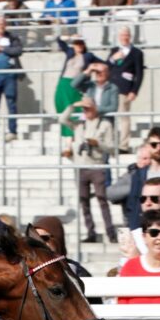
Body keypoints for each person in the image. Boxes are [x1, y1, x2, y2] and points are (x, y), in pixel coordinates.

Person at [59, 97, 115, 244]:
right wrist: (73, 105)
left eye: (88, 108)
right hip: (81, 167)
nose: (86, 111)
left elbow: (111, 147)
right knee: (84, 201)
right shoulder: (79, 125)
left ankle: (111, 232)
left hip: (97, 165)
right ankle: (91, 232)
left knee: (102, 200)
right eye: (84, 109)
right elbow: (63, 119)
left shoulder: (105, 124)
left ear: (95, 108)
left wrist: (97, 143)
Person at [106, 26, 144, 152]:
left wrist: (134, 90)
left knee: (124, 117)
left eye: (126, 35)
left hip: (125, 88)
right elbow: (106, 67)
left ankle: (123, 145)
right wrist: (113, 59)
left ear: (130, 36)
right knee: (109, 116)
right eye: (122, 35)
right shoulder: (114, 50)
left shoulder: (137, 53)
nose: (124, 37)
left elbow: (139, 73)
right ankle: (109, 143)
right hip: (111, 88)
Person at [55, 36, 97, 144]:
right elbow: (59, 42)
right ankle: (67, 138)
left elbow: (103, 63)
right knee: (62, 108)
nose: (79, 46)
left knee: (73, 109)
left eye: (81, 43)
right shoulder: (70, 53)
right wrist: (66, 37)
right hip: (63, 83)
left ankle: (72, 138)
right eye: (77, 44)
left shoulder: (88, 56)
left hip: (75, 85)